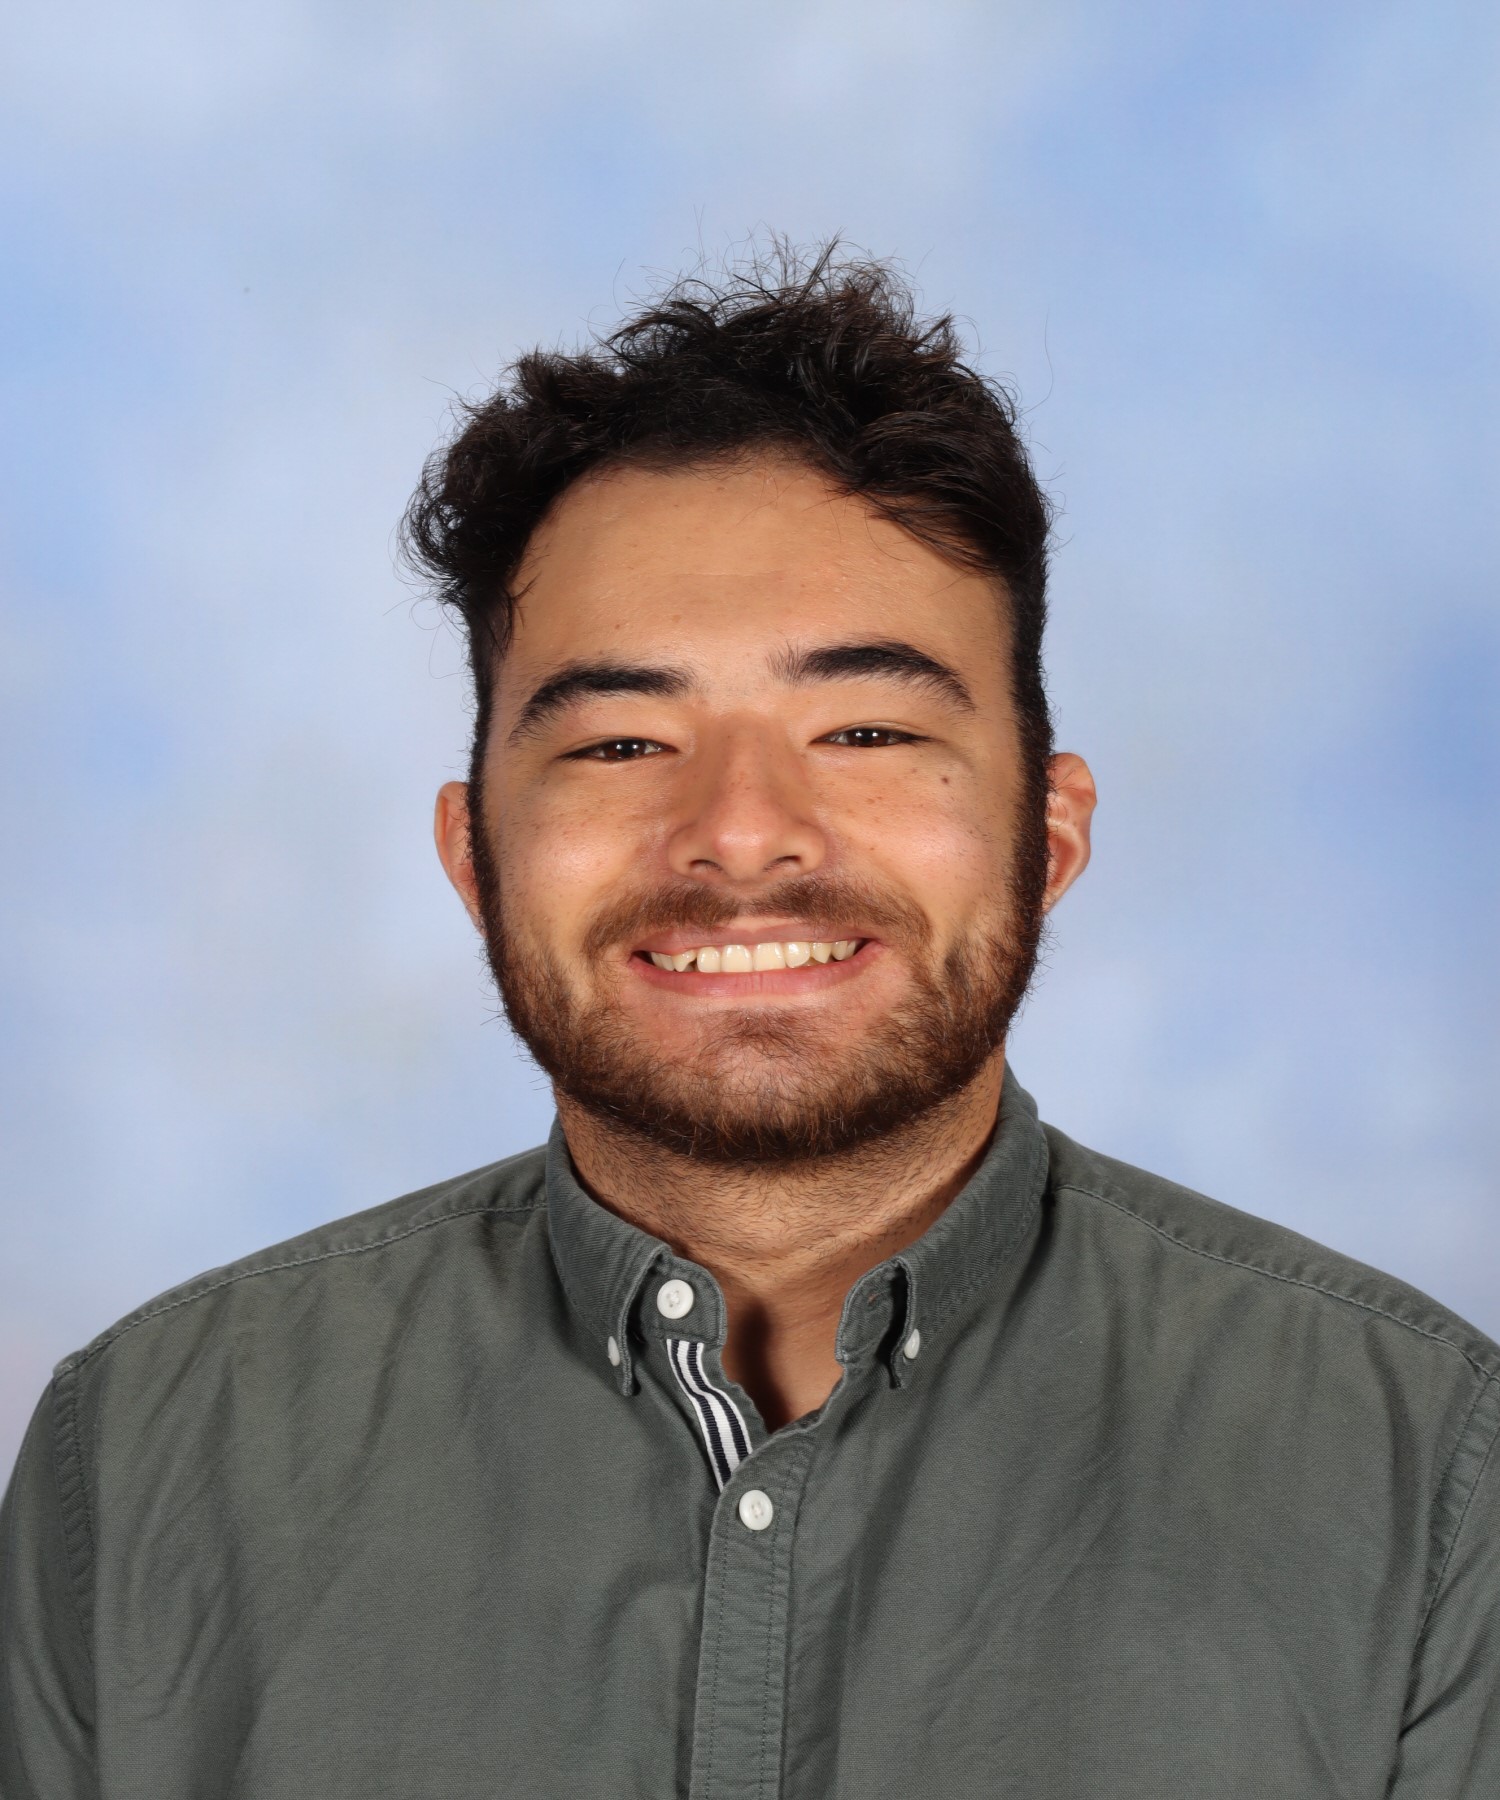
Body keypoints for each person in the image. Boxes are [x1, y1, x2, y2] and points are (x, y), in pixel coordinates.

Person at [2, 251, 1496, 1800]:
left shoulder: (1428, 1466)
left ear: (1050, 833)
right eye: (624, 740)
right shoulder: (143, 1455)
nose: (740, 836)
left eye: (865, 729)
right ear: (475, 858)